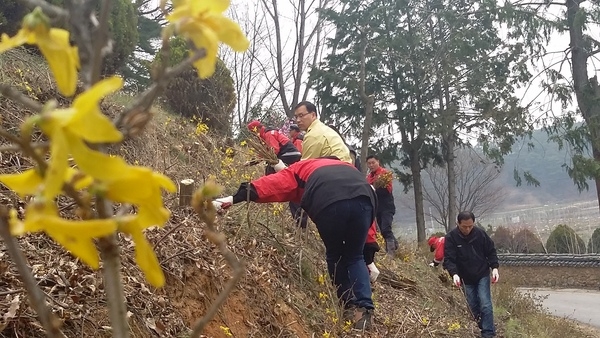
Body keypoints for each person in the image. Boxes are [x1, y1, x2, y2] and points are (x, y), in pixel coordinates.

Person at [212, 157, 376, 330]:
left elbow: (272, 184)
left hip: (328, 202)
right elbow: (367, 198)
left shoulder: (301, 167)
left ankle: (348, 305)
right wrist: (369, 256)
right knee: (355, 256)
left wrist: (234, 198)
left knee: (335, 255)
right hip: (364, 199)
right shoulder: (349, 168)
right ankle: (365, 310)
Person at [443, 211, 499, 338]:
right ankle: (478, 326)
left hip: (482, 273)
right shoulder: (451, 238)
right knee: (472, 305)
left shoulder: (480, 234)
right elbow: (449, 259)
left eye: (470, 226)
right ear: (458, 223)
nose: (467, 229)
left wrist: (494, 268)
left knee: (485, 303)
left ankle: (488, 333)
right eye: (464, 227)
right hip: (465, 277)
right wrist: (454, 274)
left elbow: (491, 251)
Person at [365, 155, 398, 256]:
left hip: (387, 207)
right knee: (382, 230)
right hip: (377, 208)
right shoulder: (368, 177)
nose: (371, 165)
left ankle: (391, 253)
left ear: (378, 162)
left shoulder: (384, 174)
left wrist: (375, 190)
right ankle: (394, 245)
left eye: (373, 162)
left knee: (385, 228)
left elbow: (388, 190)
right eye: (369, 163)